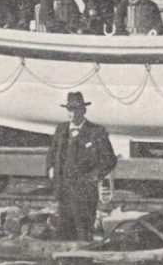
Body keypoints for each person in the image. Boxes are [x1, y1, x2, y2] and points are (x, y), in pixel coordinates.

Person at [46, 92, 117, 241]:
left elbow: (109, 159)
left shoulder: (96, 132)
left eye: (77, 110)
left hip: (85, 193)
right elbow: (51, 154)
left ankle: (84, 261)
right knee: (64, 231)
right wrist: (51, 169)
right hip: (64, 190)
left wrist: (94, 176)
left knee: (83, 232)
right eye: (70, 110)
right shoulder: (61, 129)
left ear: (84, 111)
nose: (72, 114)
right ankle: (67, 262)